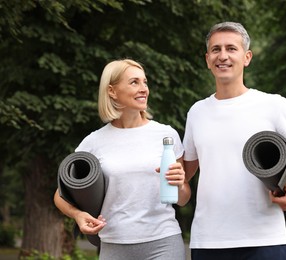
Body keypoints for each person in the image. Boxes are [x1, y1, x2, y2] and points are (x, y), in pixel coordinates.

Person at [183, 22, 286, 260]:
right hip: (209, 241)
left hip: (265, 240)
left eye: (231, 48)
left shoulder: (273, 105)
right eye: (216, 49)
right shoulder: (197, 112)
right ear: (207, 59)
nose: (223, 56)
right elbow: (182, 176)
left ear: (247, 57)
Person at [54, 59, 190, 260]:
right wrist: (78, 215)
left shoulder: (166, 135)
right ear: (112, 91)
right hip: (114, 246)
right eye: (134, 82)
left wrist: (179, 185)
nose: (144, 89)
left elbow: (184, 199)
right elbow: (60, 195)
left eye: (145, 82)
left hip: (163, 242)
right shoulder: (94, 141)